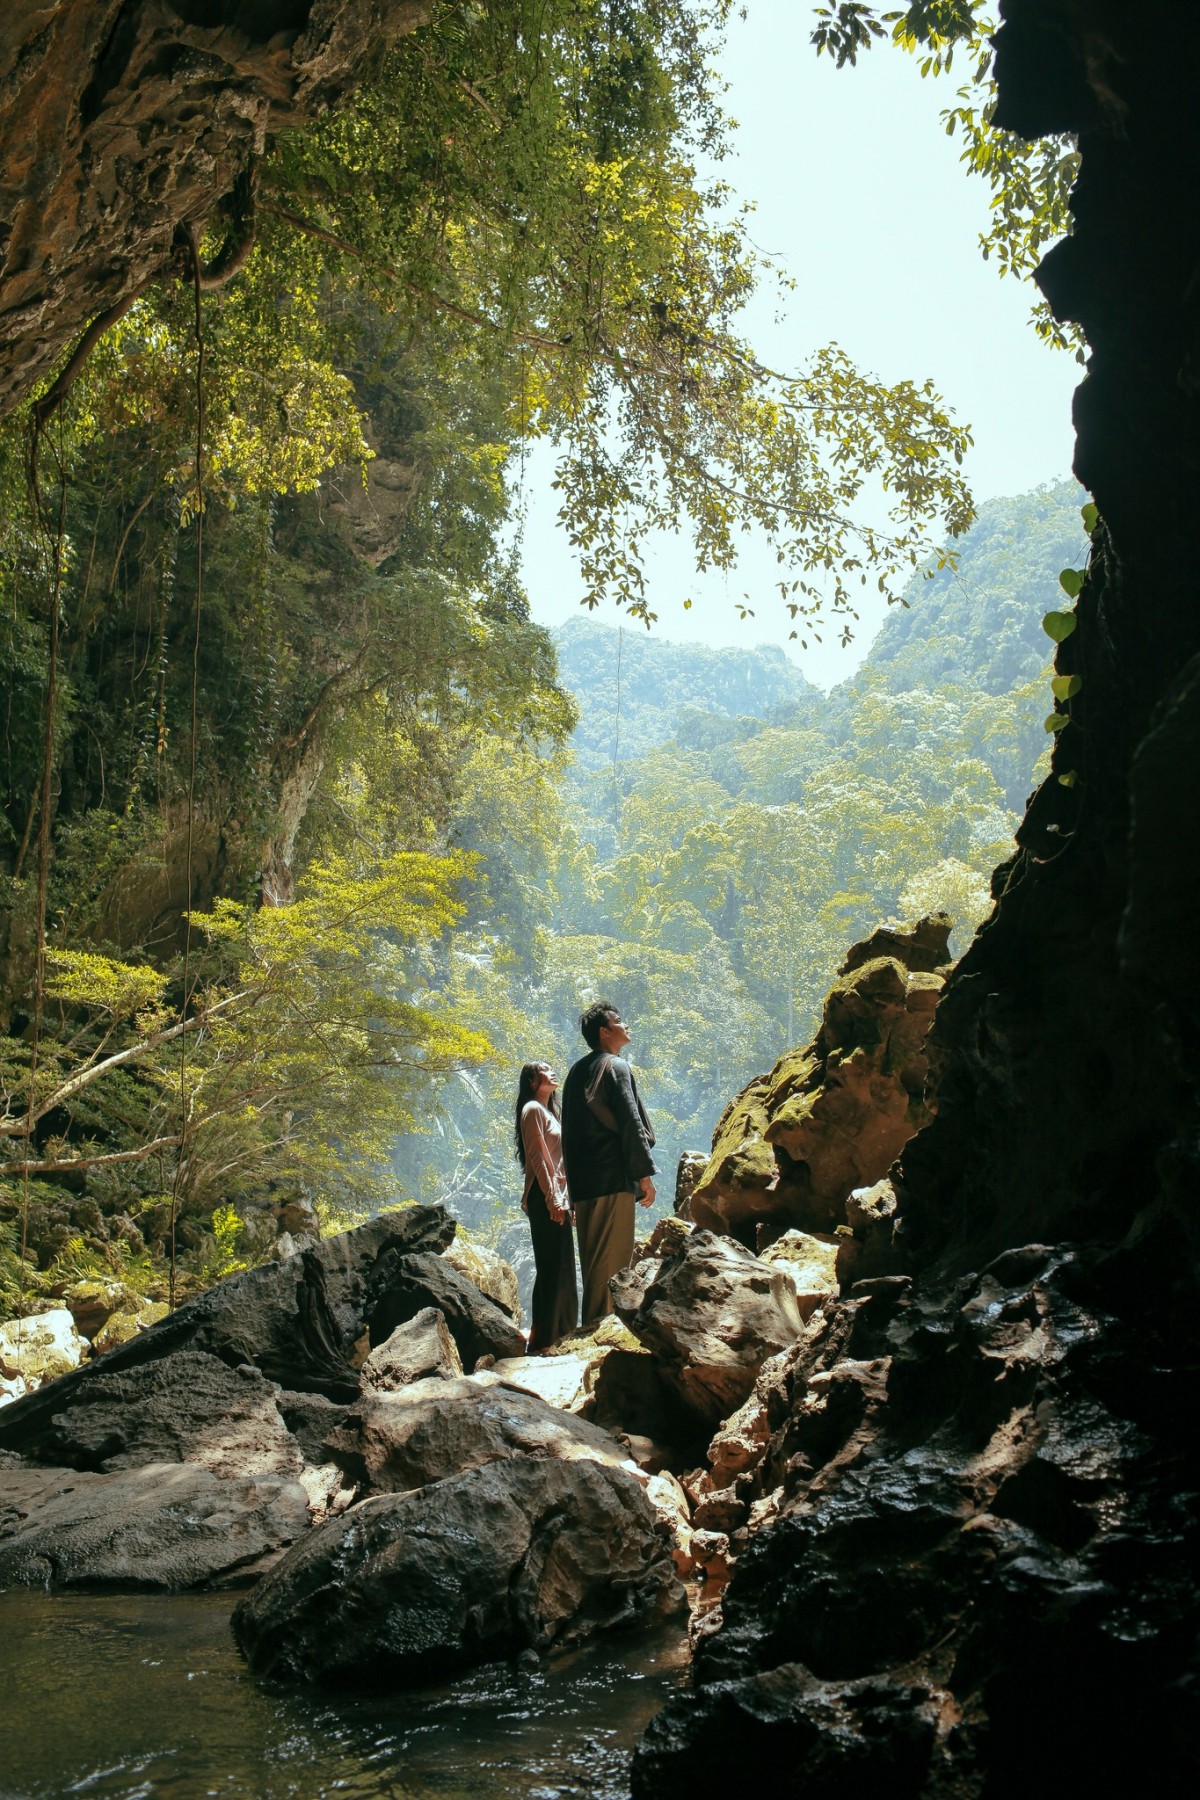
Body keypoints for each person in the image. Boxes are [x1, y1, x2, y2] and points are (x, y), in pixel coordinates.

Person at [560, 1002, 656, 1324]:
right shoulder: (616, 1067)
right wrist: (644, 1176)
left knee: (593, 1268)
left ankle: (593, 1332)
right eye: (618, 1020)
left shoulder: (575, 1074)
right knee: (612, 1271)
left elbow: (568, 1137)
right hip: (613, 1181)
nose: (625, 1025)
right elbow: (631, 1123)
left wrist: (572, 1194)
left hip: (586, 1188)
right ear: (604, 1031)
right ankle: (599, 1341)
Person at [515, 1060, 579, 1352]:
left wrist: (568, 1200)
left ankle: (560, 1335)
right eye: (544, 1068)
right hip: (545, 1198)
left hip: (556, 1197)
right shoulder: (532, 1110)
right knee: (553, 1267)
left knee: (562, 1266)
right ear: (531, 1079)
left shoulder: (550, 1112)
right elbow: (539, 1159)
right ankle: (545, 1340)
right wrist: (553, 1197)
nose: (552, 1071)